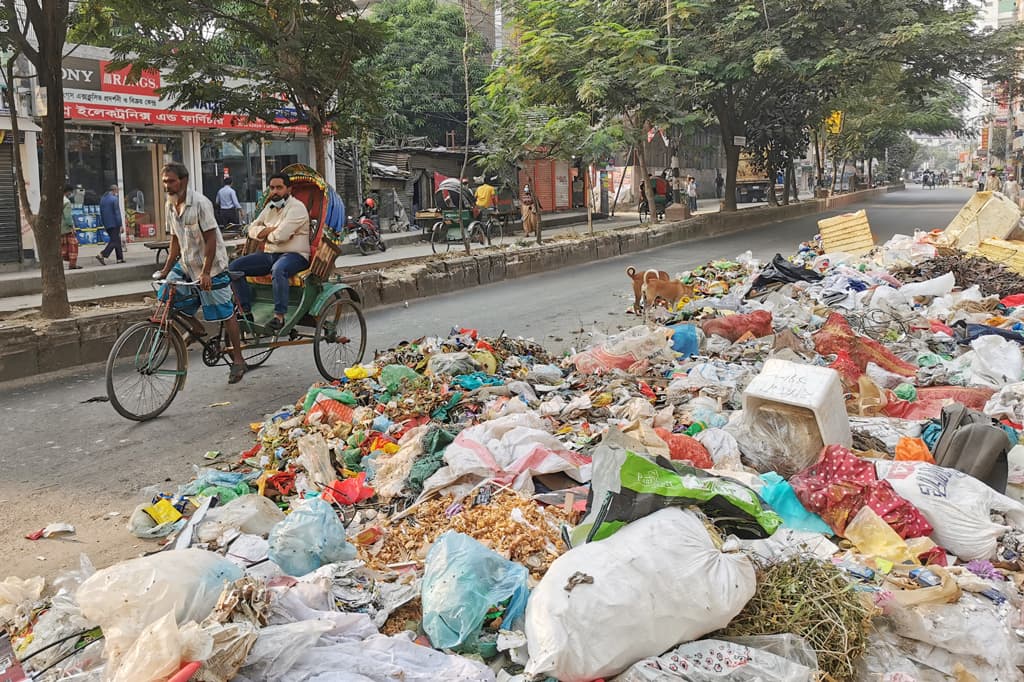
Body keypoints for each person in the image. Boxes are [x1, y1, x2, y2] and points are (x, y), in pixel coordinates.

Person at [156, 162, 247, 384]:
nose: (167, 186)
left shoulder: (200, 203)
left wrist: (206, 272)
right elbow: (175, 239)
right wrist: (166, 268)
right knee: (166, 294)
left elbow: (211, 239)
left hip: (211, 265)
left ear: (184, 180)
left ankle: (238, 359)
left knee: (226, 313)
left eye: (172, 181)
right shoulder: (170, 205)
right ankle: (195, 327)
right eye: (165, 182)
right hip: (187, 264)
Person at [229, 173, 310, 332]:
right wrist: (269, 231)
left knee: (279, 269)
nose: (275, 191)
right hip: (270, 254)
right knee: (234, 268)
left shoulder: (297, 207)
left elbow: (281, 236)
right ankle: (245, 311)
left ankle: (279, 316)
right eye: (272, 188)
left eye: (279, 188)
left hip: (295, 255)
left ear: (289, 189)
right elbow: (251, 229)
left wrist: (265, 234)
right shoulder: (269, 207)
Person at [96, 184, 124, 265]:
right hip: (114, 223)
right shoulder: (114, 199)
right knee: (114, 241)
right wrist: (121, 224)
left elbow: (101, 212)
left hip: (107, 224)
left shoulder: (102, 199)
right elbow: (117, 213)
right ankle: (102, 254)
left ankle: (120, 258)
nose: (117, 193)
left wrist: (104, 224)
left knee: (117, 240)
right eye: (117, 191)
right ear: (114, 190)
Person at [60, 184, 82, 270]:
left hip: (58, 229)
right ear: (68, 192)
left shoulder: (56, 200)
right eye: (71, 192)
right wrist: (72, 226)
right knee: (73, 246)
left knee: (62, 247)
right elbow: (68, 217)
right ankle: (72, 264)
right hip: (66, 229)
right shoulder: (66, 202)